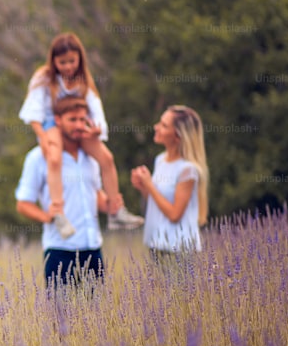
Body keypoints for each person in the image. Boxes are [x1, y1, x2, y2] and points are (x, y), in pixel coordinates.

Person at [19, 32, 144, 238]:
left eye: (72, 61)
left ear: (79, 59)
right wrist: (42, 136)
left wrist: (97, 129)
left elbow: (94, 106)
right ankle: (58, 212)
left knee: (106, 158)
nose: (68, 67)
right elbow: (34, 111)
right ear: (54, 61)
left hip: (77, 122)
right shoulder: (44, 78)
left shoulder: (83, 79)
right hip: (51, 122)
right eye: (62, 62)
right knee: (54, 158)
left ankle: (116, 210)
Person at [15, 95, 122, 288]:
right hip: (60, 251)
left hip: (93, 248)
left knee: (97, 314)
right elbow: (23, 204)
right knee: (61, 316)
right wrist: (48, 217)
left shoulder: (90, 156)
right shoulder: (38, 157)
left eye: (82, 119)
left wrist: (110, 204)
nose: (79, 125)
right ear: (57, 121)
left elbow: (95, 194)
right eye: (72, 120)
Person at [130, 105, 209, 257]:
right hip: (157, 244)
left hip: (178, 248)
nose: (156, 127)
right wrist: (142, 187)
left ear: (178, 136)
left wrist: (150, 185)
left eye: (164, 125)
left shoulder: (188, 170)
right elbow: (158, 200)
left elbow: (174, 214)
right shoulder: (160, 160)